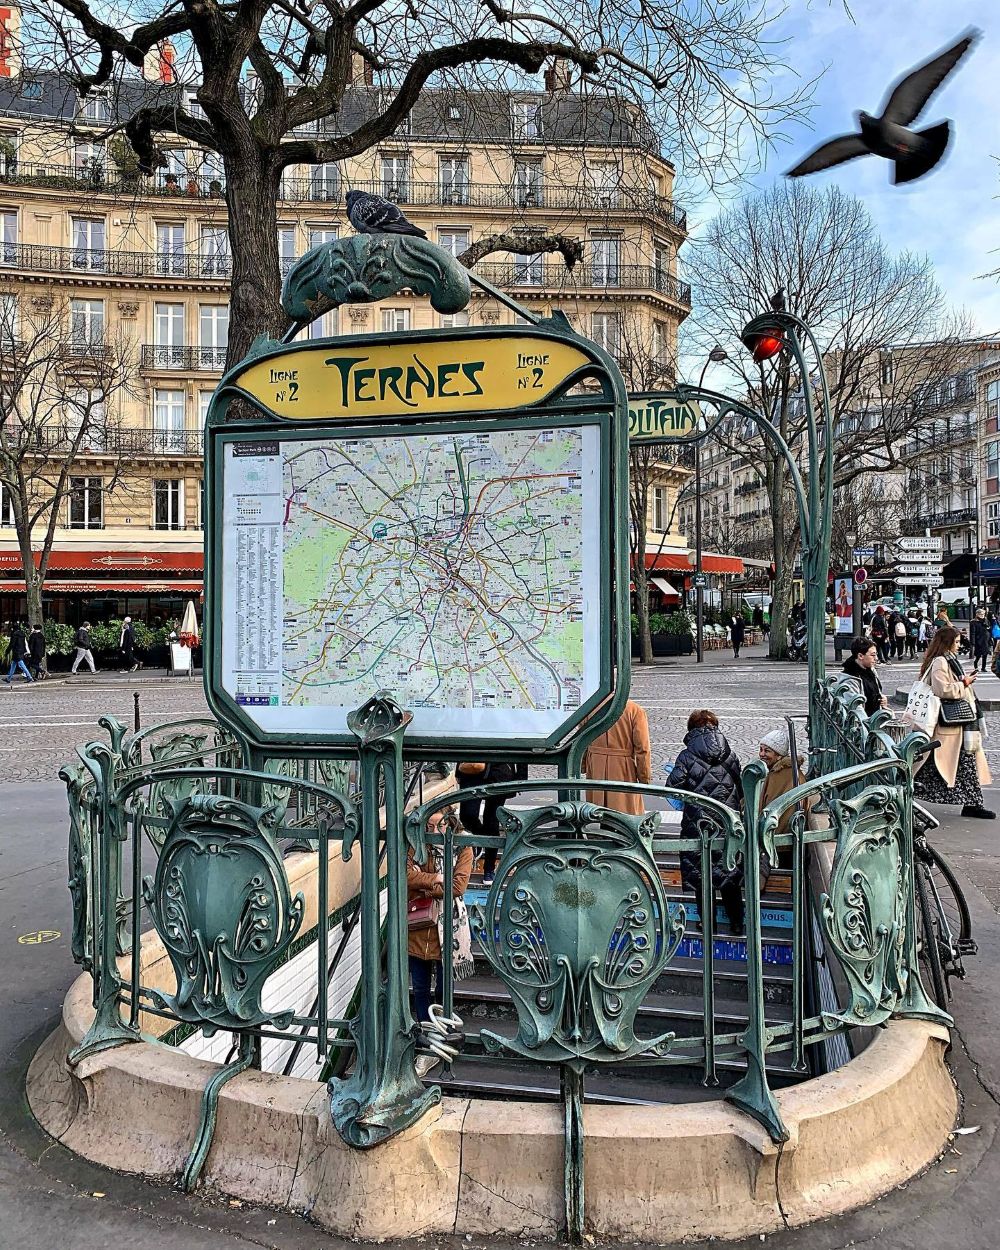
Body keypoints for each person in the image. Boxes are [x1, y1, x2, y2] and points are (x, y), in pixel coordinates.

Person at [667, 710, 745, 933]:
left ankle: (708, 923)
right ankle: (737, 923)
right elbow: (740, 787)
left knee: (702, 875)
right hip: (727, 820)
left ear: (691, 729)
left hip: (698, 822)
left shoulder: (686, 756)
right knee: (729, 871)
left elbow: (673, 786)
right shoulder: (730, 754)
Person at [406, 808, 474, 1045]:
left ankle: (443, 1033)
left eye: (439, 826)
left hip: (449, 928)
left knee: (444, 989)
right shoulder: (417, 844)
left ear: (451, 823)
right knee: (420, 987)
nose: (433, 832)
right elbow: (405, 876)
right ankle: (426, 1036)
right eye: (429, 827)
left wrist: (424, 883)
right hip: (418, 925)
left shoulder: (464, 846)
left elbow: (458, 886)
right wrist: (436, 878)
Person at [913, 626, 993, 819]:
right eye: (956, 642)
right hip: (948, 723)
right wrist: (964, 683)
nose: (958, 645)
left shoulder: (949, 659)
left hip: (960, 723)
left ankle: (973, 803)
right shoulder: (940, 661)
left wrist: (964, 681)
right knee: (940, 765)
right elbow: (942, 690)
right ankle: (907, 793)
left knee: (963, 764)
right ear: (947, 642)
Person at [455, 759, 525, 886]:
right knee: (467, 815)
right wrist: (458, 771)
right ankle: (482, 840)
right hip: (471, 770)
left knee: (491, 822)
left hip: (499, 771)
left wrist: (521, 777)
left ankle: (489, 868)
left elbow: (522, 743)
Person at [583, 697, 652, 816]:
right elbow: (642, 748)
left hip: (596, 767)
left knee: (597, 810)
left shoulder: (591, 708)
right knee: (623, 812)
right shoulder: (634, 710)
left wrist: (583, 765)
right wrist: (644, 777)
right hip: (622, 768)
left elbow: (582, 740)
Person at [841, 636, 887, 716]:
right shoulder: (850, 678)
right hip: (863, 724)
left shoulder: (871, 669)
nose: (876, 658)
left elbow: (875, 692)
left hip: (874, 719)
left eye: (876, 654)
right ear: (860, 656)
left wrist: (882, 698)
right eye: (872, 655)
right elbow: (856, 710)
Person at [970, 608, 990, 673]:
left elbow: (989, 627)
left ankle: (983, 668)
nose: (982, 615)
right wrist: (972, 642)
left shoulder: (986, 620)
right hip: (978, 640)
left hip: (985, 640)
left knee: (985, 654)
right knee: (978, 655)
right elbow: (972, 633)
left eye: (983, 614)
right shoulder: (973, 622)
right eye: (981, 614)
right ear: (977, 614)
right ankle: (976, 666)